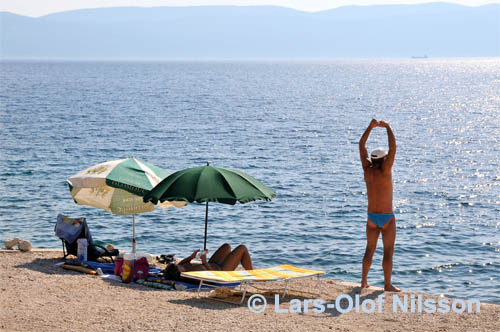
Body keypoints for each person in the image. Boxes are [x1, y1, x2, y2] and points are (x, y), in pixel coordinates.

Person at [359, 118, 401, 292]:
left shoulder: (367, 170)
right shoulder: (386, 170)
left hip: (371, 217)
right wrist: (388, 128)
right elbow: (393, 148)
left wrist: (370, 127)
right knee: (388, 251)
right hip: (387, 218)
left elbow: (361, 145)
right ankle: (387, 284)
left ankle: (363, 281)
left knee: (369, 249)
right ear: (384, 159)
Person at [163, 243, 253, 282]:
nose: (181, 265)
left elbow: (181, 264)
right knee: (242, 248)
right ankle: (253, 275)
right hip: (221, 271)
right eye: (179, 267)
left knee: (226, 246)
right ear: (179, 273)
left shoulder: (184, 269)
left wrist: (191, 257)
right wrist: (204, 262)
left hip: (213, 264)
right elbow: (211, 278)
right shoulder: (192, 277)